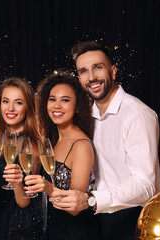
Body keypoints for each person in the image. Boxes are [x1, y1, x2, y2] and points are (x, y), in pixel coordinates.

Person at [50, 41, 160, 239]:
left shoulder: (136, 115)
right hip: (95, 221)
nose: (91, 77)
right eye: (83, 71)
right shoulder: (87, 116)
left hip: (131, 221)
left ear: (113, 71)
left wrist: (92, 200)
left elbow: (146, 185)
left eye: (98, 68)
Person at [24, 71, 99, 239]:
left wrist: (47, 187)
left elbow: (75, 208)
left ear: (78, 107)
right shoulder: (52, 139)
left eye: (65, 100)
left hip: (75, 232)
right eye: (52, 99)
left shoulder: (81, 145)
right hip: (51, 228)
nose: (56, 106)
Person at [0, 77, 46, 240]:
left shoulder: (36, 146)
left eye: (18, 102)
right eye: (5, 101)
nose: (10, 108)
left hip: (20, 229)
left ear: (28, 107)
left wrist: (17, 184)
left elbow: (26, 204)